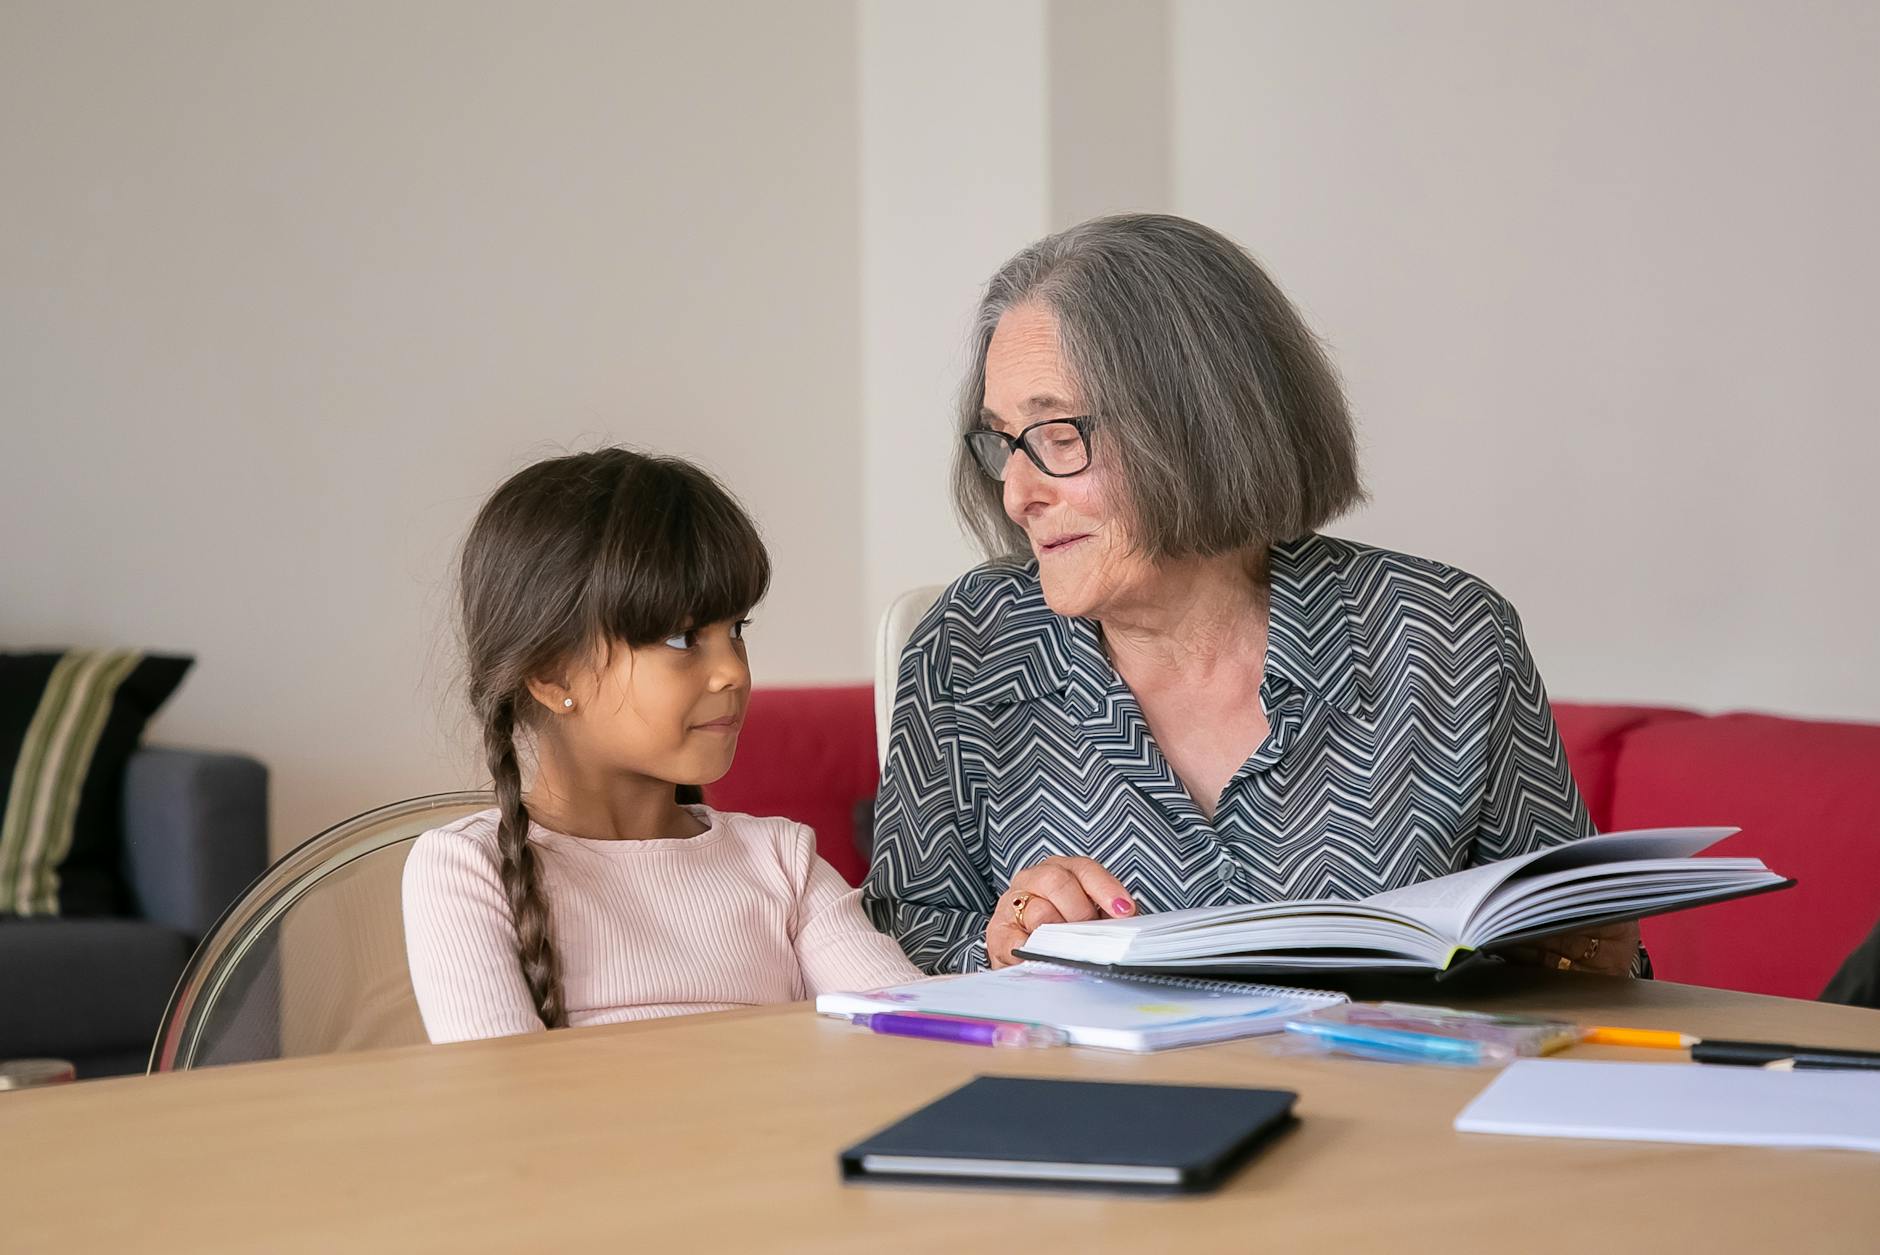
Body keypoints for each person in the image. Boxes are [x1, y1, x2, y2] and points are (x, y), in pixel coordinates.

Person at [864, 213, 1639, 977]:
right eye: (1004, 442)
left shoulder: (1443, 636)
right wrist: (1004, 946)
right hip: (1094, 1100)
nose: (1017, 493)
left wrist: (1583, 957)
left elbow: (1584, 948)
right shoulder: (975, 640)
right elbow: (895, 943)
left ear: (1198, 426)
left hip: (1394, 1095)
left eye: (1058, 435)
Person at [404, 449, 918, 1043]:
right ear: (552, 675)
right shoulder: (466, 870)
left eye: (736, 631)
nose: (733, 672)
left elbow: (912, 1040)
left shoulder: (784, 862)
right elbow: (507, 1113)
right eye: (682, 638)